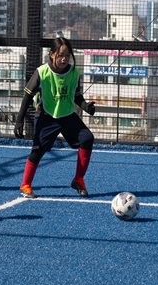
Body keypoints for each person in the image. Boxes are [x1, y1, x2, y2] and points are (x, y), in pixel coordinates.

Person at [13, 37, 96, 199]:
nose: (64, 58)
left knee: (87, 138)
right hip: (47, 117)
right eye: (60, 55)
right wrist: (19, 120)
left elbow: (77, 95)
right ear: (51, 55)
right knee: (37, 151)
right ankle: (25, 185)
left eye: (67, 55)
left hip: (68, 116)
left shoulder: (74, 73)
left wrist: (86, 107)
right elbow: (27, 97)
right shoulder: (42, 72)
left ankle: (78, 180)